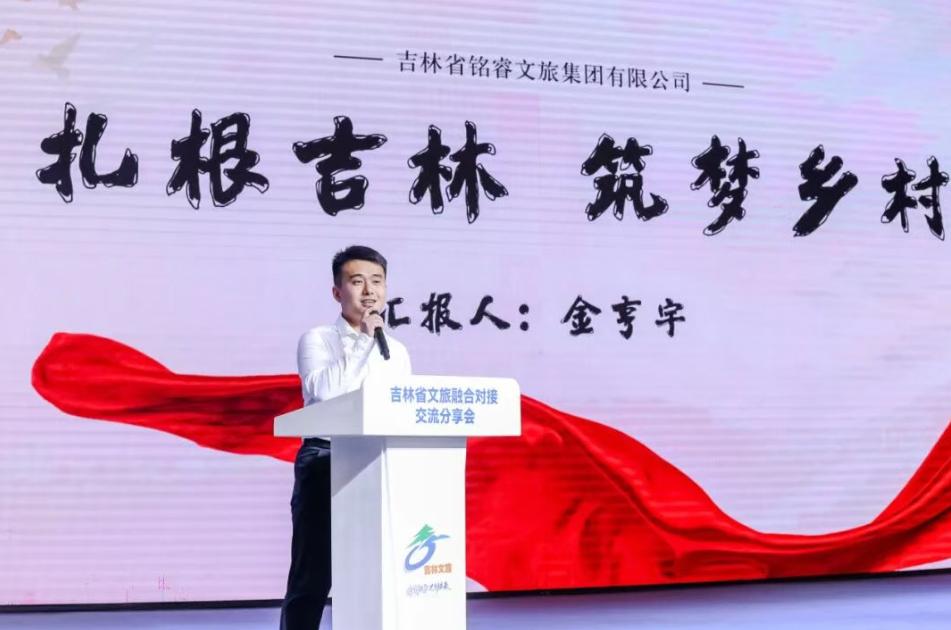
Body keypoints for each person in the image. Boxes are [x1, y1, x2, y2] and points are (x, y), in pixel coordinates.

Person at [280, 245, 412, 630]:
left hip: (379, 461)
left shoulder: (397, 351)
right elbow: (326, 393)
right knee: (312, 574)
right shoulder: (317, 340)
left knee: (376, 569)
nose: (369, 291)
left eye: (377, 282)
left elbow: (402, 407)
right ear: (337, 292)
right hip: (325, 458)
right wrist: (366, 342)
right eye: (357, 282)